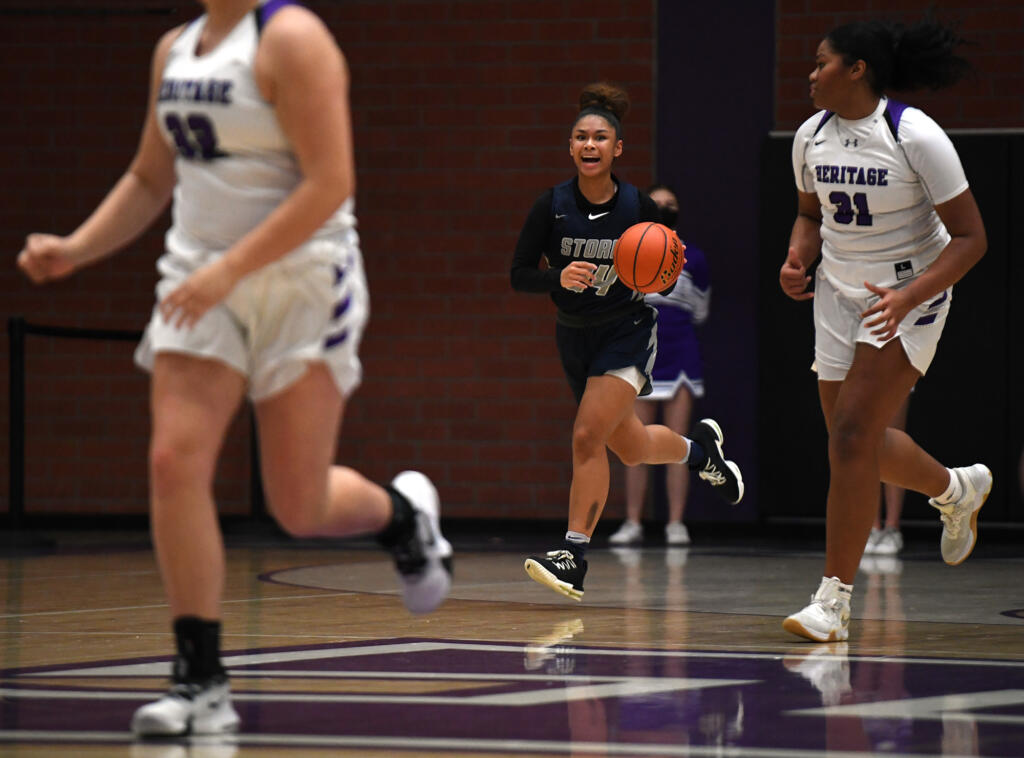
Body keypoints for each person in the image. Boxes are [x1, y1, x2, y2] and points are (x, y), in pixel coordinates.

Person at [17, 0, 453, 737]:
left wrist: (230, 271)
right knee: (171, 462)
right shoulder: (174, 50)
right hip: (197, 279)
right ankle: (200, 679)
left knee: (297, 504)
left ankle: (405, 518)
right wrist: (76, 247)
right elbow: (150, 178)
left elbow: (330, 184)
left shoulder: (292, 38)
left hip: (304, 280)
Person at [780, 17, 992, 643]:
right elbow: (807, 214)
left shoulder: (914, 134)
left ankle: (833, 602)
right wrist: (798, 256)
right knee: (855, 444)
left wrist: (907, 297)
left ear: (856, 70)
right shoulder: (808, 137)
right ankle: (955, 489)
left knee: (850, 438)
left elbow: (974, 238)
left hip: (910, 291)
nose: (811, 75)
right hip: (840, 292)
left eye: (821, 63)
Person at [510, 82, 743, 602]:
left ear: (618, 149)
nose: (589, 145)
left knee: (587, 436)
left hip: (627, 331)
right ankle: (700, 452)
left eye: (600, 137)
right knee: (632, 448)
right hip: (573, 337)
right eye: (580, 137)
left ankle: (573, 555)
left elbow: (669, 267)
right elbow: (519, 274)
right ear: (570, 147)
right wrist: (556, 278)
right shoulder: (550, 207)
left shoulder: (638, 206)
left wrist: (656, 271)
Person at [609, 184, 711, 547]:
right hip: (641, 355)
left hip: (681, 353)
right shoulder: (627, 252)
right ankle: (634, 521)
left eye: (672, 203)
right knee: (634, 441)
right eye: (659, 203)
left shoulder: (694, 258)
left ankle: (675, 523)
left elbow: (700, 310)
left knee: (676, 441)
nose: (666, 208)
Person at [863, 396, 910, 556]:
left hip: (894, 370)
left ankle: (892, 527)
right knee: (865, 439)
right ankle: (872, 528)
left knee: (894, 436)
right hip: (854, 371)